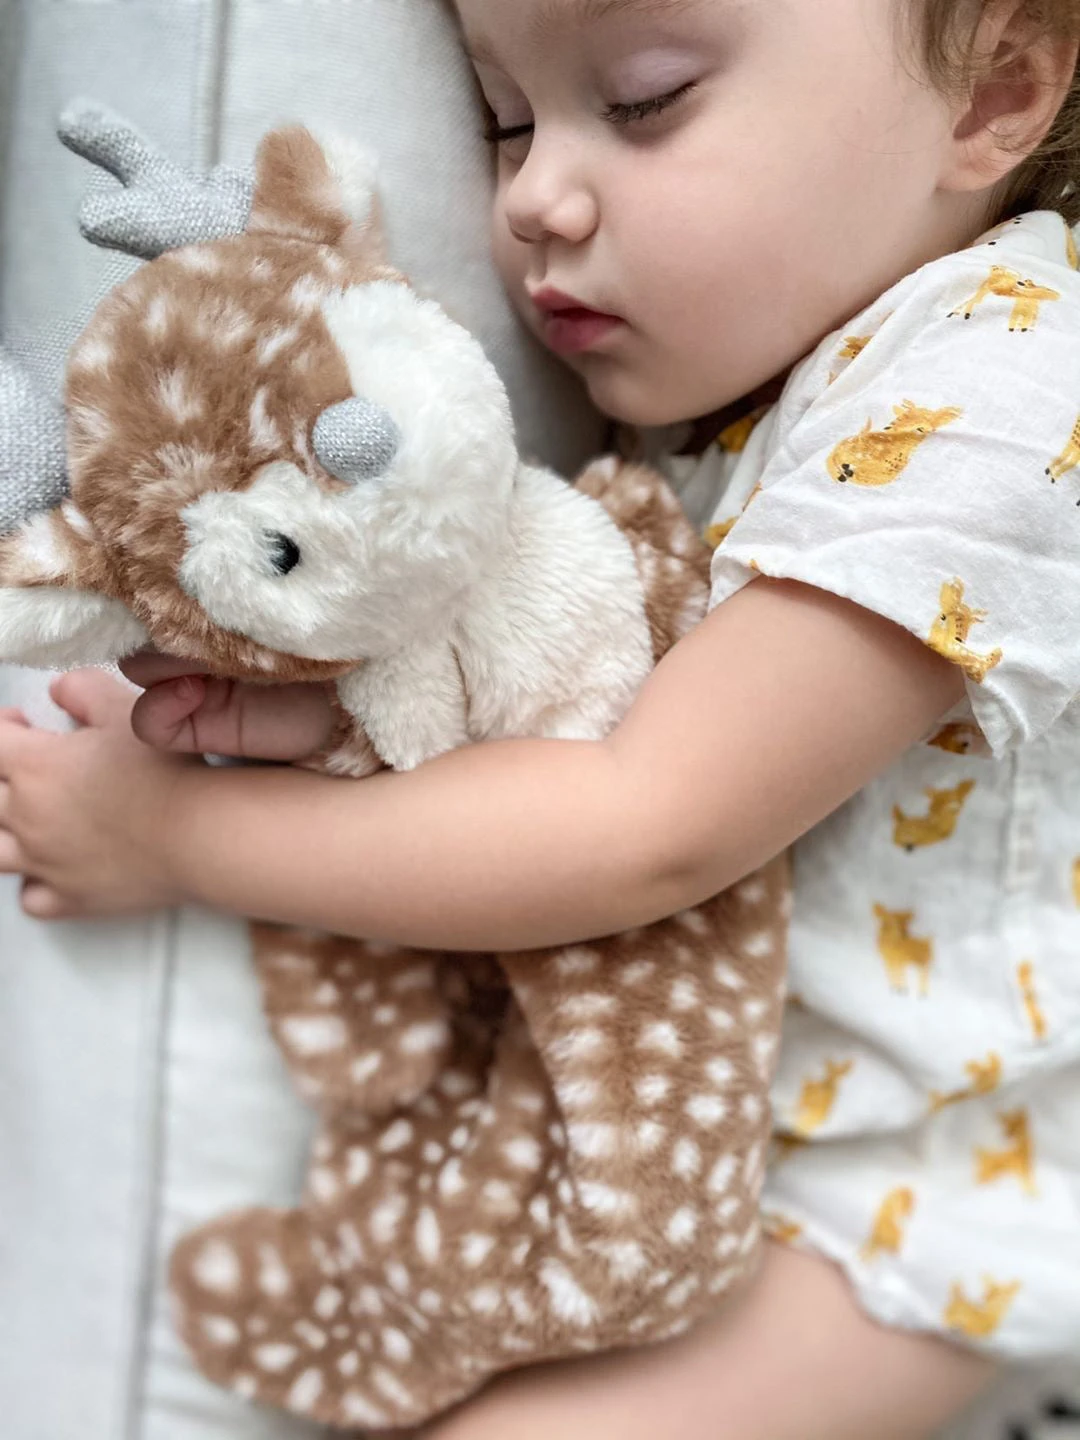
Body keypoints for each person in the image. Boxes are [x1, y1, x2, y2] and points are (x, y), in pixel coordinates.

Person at [2, 0, 1080, 1436]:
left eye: (644, 100)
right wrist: (333, 724)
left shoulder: (1007, 377)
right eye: (506, 119)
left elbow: (645, 821)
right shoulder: (725, 385)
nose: (532, 198)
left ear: (993, 91)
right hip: (710, 1121)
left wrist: (177, 833)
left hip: (926, 1185)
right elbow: (573, 686)